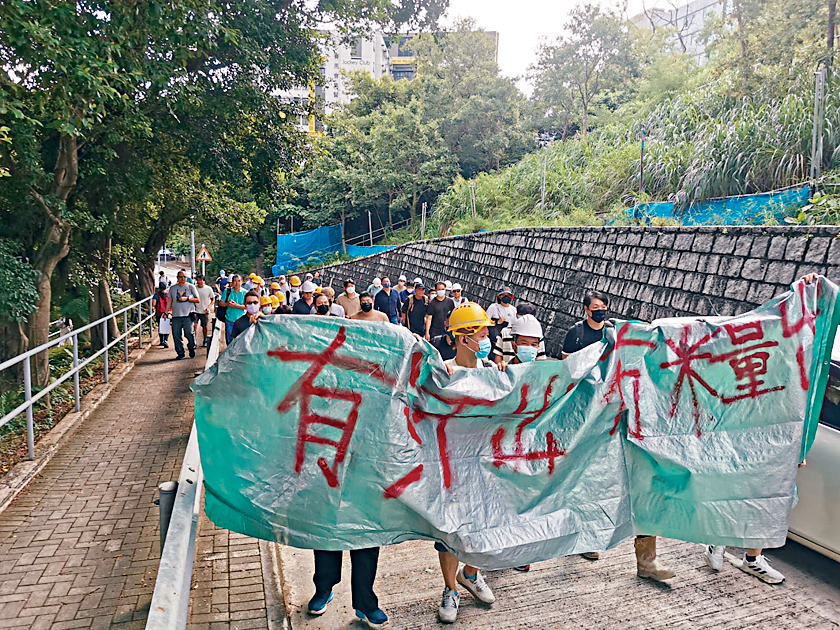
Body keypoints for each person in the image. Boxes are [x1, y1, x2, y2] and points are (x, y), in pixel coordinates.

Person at [561, 290, 674, 579]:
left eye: (604, 308)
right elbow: (566, 374)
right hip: (589, 420)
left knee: (643, 486)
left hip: (623, 419)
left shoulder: (617, 334)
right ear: (586, 309)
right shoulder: (576, 334)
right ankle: (585, 539)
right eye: (595, 308)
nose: (601, 312)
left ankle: (647, 563)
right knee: (586, 482)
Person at [435, 302, 503, 623]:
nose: (488, 338)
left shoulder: (494, 371)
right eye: (482, 332)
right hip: (450, 466)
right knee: (449, 531)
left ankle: (471, 574)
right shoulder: (442, 371)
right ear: (463, 338)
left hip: (485, 463)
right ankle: (450, 589)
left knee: (486, 526)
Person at [167, 270, 200, 359]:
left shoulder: (191, 287)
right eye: (180, 277)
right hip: (176, 315)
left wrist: (188, 298)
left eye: (184, 277)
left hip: (188, 315)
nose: (182, 279)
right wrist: (166, 312)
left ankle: (191, 347)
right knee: (176, 335)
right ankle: (180, 353)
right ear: (177, 278)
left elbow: (197, 299)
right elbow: (170, 300)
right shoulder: (172, 288)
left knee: (189, 333)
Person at [221, 274, 247, 345]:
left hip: (241, 319)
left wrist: (236, 305)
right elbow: (221, 303)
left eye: (239, 281)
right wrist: (227, 304)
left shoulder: (245, 292)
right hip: (230, 319)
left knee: (241, 339)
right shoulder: (227, 291)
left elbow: (247, 306)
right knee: (230, 339)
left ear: (241, 282)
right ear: (232, 283)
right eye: (235, 281)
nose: (237, 283)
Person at [194, 275, 215, 347]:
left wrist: (209, 307)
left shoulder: (208, 289)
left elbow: (213, 299)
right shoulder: (194, 288)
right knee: (194, 325)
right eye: (198, 280)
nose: (199, 282)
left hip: (204, 310)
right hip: (195, 310)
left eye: (201, 280)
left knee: (204, 326)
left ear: (204, 281)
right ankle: (194, 341)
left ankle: (205, 339)